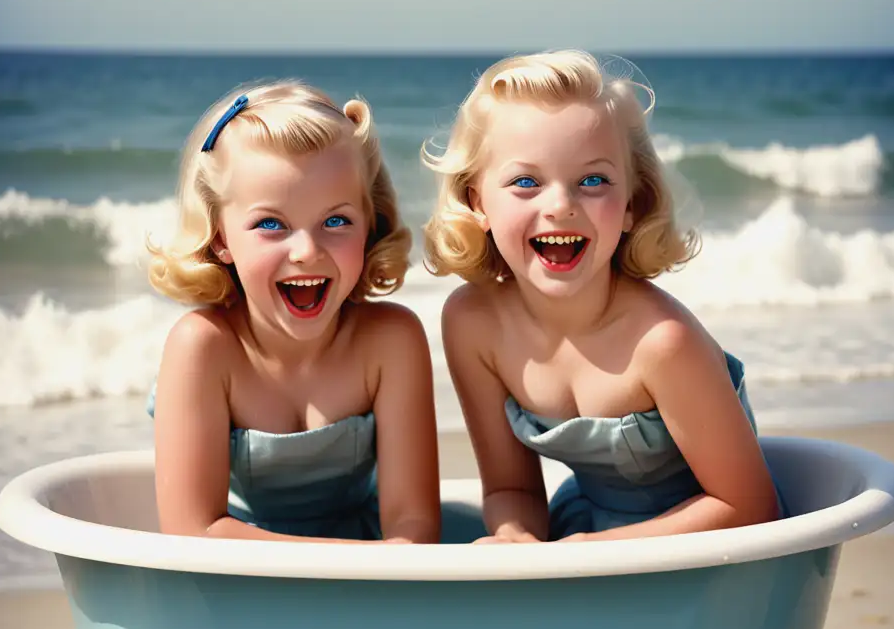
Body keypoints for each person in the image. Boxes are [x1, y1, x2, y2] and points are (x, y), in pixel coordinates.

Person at [424, 51, 778, 543]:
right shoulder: (473, 323)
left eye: (593, 181)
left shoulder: (662, 342)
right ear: (476, 201)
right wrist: (517, 542)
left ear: (633, 204)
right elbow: (511, 489)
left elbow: (751, 506)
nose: (561, 206)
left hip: (698, 549)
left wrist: (589, 552)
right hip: (580, 530)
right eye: (526, 182)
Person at [148, 81, 439, 543]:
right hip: (243, 571)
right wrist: (345, 563)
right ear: (220, 236)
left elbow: (414, 526)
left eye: (336, 221)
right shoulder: (204, 347)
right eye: (270, 224)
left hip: (373, 575)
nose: (306, 250)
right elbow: (193, 528)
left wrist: (369, 573)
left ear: (369, 223)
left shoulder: (391, 340)